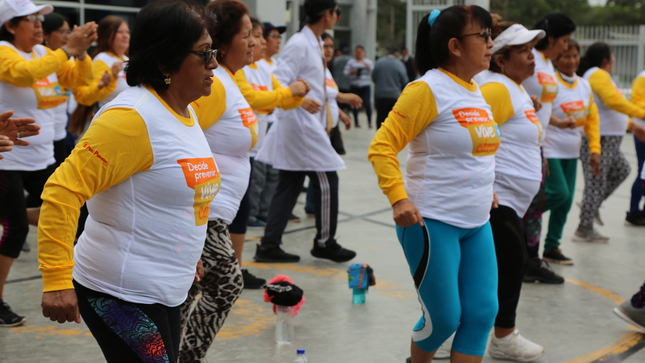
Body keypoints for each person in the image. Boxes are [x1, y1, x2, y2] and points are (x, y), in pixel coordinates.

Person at [37, 1, 219, 361]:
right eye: (204, 54)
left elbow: (179, 194)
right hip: (119, 290)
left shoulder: (185, 111)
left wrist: (185, 251)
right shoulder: (131, 118)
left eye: (215, 51)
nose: (214, 63)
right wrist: (56, 278)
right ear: (165, 62)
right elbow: (63, 190)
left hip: (165, 286)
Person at [368, 6, 500, 362]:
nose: (491, 42)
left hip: (476, 223)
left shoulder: (476, 90)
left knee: (482, 314)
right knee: (443, 319)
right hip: (431, 222)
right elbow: (382, 147)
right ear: (455, 46)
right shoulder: (426, 89)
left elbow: (476, 150)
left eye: (490, 35)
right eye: (483, 35)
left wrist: (486, 187)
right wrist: (398, 199)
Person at [0, 0, 96, 327]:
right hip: (8, 156)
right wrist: (67, 49)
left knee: (72, 210)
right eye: (31, 19)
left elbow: (76, 85)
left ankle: (80, 285)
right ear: (11, 26)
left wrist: (80, 54)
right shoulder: (3, 50)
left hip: (42, 155)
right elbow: (24, 74)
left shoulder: (44, 53)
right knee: (14, 232)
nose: (40, 25)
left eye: (41, 19)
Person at [254, 0, 357, 264]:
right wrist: (299, 100)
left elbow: (316, 84)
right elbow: (280, 78)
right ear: (328, 14)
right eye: (337, 13)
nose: (337, 17)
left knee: (288, 185)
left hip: (304, 123)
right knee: (327, 177)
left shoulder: (315, 42)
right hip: (300, 124)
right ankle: (325, 242)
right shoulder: (300, 43)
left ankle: (269, 244)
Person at [479, 21, 548, 361]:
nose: (532, 57)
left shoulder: (511, 87)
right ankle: (503, 337)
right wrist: (485, 186)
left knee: (490, 266)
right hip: (497, 195)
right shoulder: (498, 89)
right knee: (513, 260)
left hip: (509, 197)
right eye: (523, 51)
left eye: (532, 50)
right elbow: (473, 135)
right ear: (501, 60)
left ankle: (454, 335)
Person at [232, 17, 309, 289]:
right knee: (237, 212)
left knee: (243, 210)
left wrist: (299, 95)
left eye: (261, 37)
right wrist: (291, 92)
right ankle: (231, 270)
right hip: (234, 155)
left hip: (250, 150)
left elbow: (280, 99)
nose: (260, 42)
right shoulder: (232, 74)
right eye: (252, 36)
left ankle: (234, 269)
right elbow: (254, 100)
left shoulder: (263, 69)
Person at [538, 38, 602, 279]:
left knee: (564, 204)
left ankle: (551, 247)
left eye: (575, 55)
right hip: (550, 148)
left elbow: (592, 120)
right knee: (560, 193)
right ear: (556, 58)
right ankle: (523, 217)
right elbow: (542, 114)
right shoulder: (550, 83)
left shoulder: (584, 86)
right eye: (566, 56)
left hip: (572, 151)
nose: (572, 60)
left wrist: (595, 150)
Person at [520, 13, 576, 268]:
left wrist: (559, 122)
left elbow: (543, 105)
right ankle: (517, 241)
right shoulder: (532, 59)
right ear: (551, 38)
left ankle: (533, 254)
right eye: (565, 40)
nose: (567, 47)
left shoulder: (546, 63)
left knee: (541, 200)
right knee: (551, 196)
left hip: (539, 142)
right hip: (523, 142)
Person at [576, 42, 645, 242]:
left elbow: (611, 109)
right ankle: (584, 227)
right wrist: (641, 114)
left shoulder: (600, 76)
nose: (614, 61)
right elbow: (613, 101)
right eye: (612, 58)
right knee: (596, 183)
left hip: (611, 139)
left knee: (622, 170)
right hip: (600, 139)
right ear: (606, 60)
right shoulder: (597, 74)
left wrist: (632, 125)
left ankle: (591, 205)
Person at [71, 15, 130, 134]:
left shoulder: (126, 58)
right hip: (111, 125)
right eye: (120, 32)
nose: (125, 36)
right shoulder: (102, 60)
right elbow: (93, 95)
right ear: (108, 36)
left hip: (128, 122)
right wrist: (111, 78)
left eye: (127, 32)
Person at [372, 45, 408, 129]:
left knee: (380, 117)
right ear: (396, 54)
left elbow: (373, 77)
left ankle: (380, 136)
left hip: (380, 95)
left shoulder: (379, 63)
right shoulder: (399, 64)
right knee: (393, 119)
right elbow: (404, 81)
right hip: (394, 95)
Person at [627, 72, 645, 226]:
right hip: (643, 132)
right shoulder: (642, 78)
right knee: (643, 172)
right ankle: (633, 211)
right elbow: (637, 102)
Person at [344, 45, 374, 128]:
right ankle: (356, 122)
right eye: (357, 51)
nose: (358, 53)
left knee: (367, 104)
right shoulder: (351, 62)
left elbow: (373, 70)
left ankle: (370, 122)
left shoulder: (368, 62)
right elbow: (345, 73)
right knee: (355, 104)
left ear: (364, 53)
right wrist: (352, 72)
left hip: (365, 86)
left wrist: (368, 67)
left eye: (360, 51)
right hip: (355, 85)